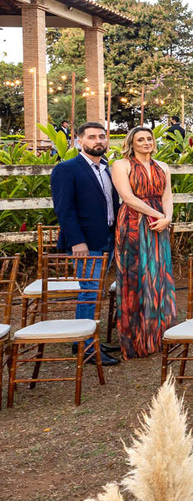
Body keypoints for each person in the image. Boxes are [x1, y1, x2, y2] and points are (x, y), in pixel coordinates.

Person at [49, 122, 123, 366]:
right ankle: (87, 347)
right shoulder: (67, 169)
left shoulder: (108, 169)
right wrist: (76, 241)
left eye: (102, 136)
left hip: (108, 239)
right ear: (79, 141)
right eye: (91, 137)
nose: (98, 141)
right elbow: (64, 209)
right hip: (85, 242)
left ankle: (85, 338)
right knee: (89, 292)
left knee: (95, 291)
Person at [110, 126, 177, 360]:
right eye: (141, 139)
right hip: (133, 223)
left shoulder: (163, 167)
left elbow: (167, 196)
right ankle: (137, 339)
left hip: (159, 223)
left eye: (149, 138)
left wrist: (167, 218)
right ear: (132, 143)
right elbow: (127, 198)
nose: (146, 142)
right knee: (136, 275)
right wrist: (159, 216)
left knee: (158, 273)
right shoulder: (121, 165)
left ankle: (160, 335)